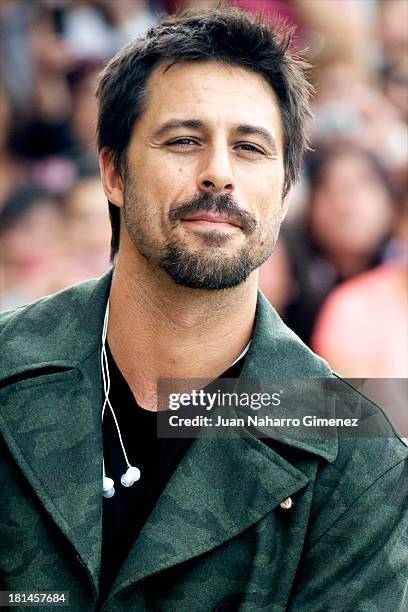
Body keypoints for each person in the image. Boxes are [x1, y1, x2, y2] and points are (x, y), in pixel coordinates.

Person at [0, 7, 406, 612]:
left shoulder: (354, 454)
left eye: (249, 148)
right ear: (113, 171)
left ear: (286, 189)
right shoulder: (12, 365)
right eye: (185, 140)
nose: (218, 173)